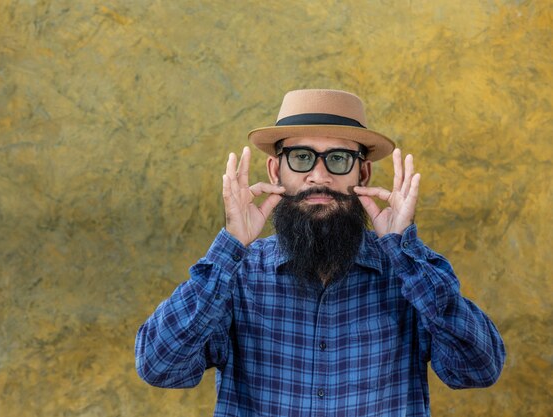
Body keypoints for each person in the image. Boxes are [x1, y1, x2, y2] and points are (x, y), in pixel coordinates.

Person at [135, 89, 505, 416]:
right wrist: (230, 247)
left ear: (362, 174)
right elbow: (160, 367)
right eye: (301, 157)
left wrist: (404, 251)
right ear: (275, 169)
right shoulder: (237, 276)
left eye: (338, 159)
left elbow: (478, 370)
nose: (319, 177)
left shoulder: (410, 275)